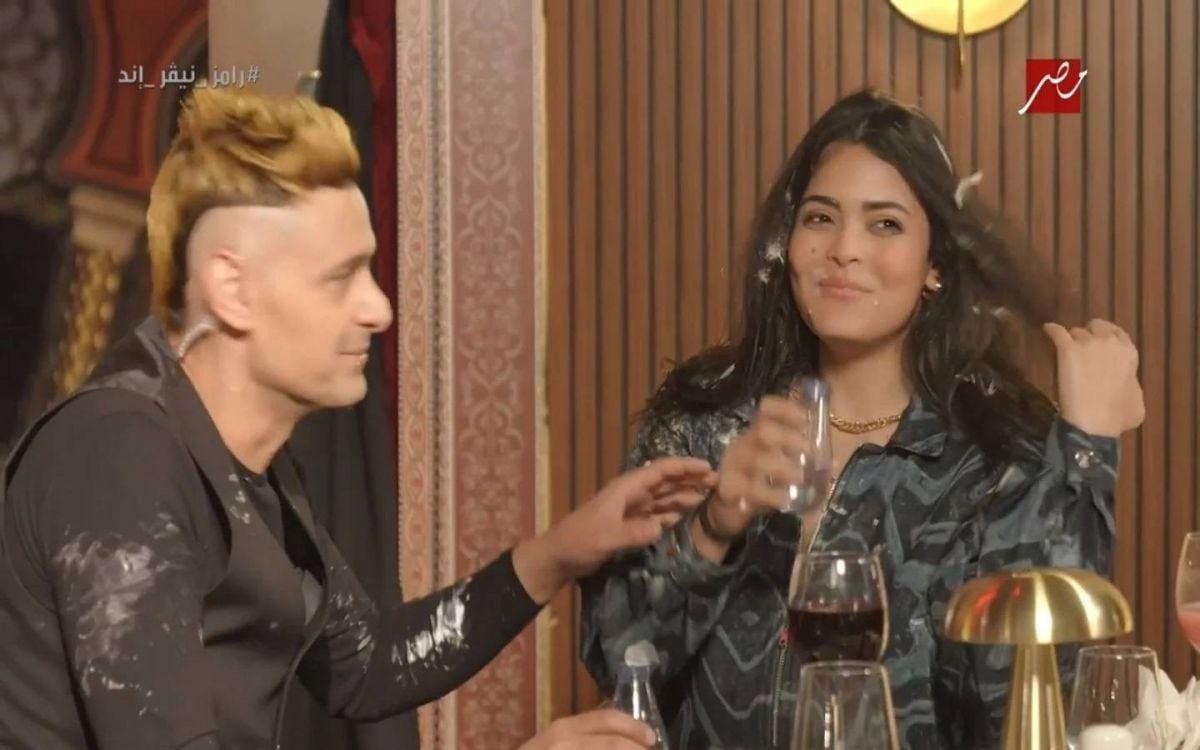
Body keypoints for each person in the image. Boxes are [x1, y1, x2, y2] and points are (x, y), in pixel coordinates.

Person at [0, 87, 717, 750]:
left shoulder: (249, 467)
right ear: (231, 288)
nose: (378, 308)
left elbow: (369, 666)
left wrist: (562, 551)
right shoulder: (118, 455)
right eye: (341, 277)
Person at [580, 89, 1144, 749]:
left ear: (935, 265)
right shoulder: (702, 423)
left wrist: (1086, 449)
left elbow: (1021, 705)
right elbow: (617, 661)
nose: (844, 248)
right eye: (820, 218)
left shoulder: (994, 460)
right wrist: (713, 526)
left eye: (885, 224)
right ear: (786, 244)